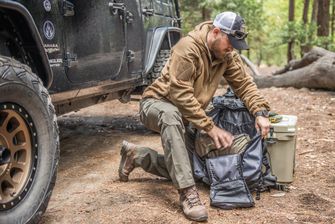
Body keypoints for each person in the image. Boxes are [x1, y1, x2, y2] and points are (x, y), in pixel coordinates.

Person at [118, 11, 271, 222]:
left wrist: (260, 112)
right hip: (157, 104)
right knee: (171, 116)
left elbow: (244, 85)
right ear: (216, 32)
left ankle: (136, 156)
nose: (232, 49)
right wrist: (210, 127)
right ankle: (187, 194)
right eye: (230, 42)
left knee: (192, 169)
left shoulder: (226, 54)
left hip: (189, 116)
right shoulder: (187, 48)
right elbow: (180, 95)